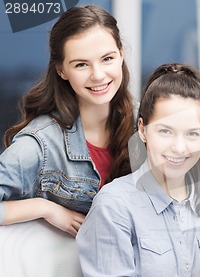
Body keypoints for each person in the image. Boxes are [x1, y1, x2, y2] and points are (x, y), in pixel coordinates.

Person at [57, 63, 200, 277]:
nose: (179, 147)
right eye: (165, 131)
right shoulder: (115, 204)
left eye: (192, 134)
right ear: (143, 130)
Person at [0, 5, 134, 236]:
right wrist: (44, 208)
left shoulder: (145, 126)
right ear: (61, 70)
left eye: (107, 59)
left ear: (121, 54)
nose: (98, 74)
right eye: (81, 64)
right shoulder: (40, 144)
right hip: (63, 271)